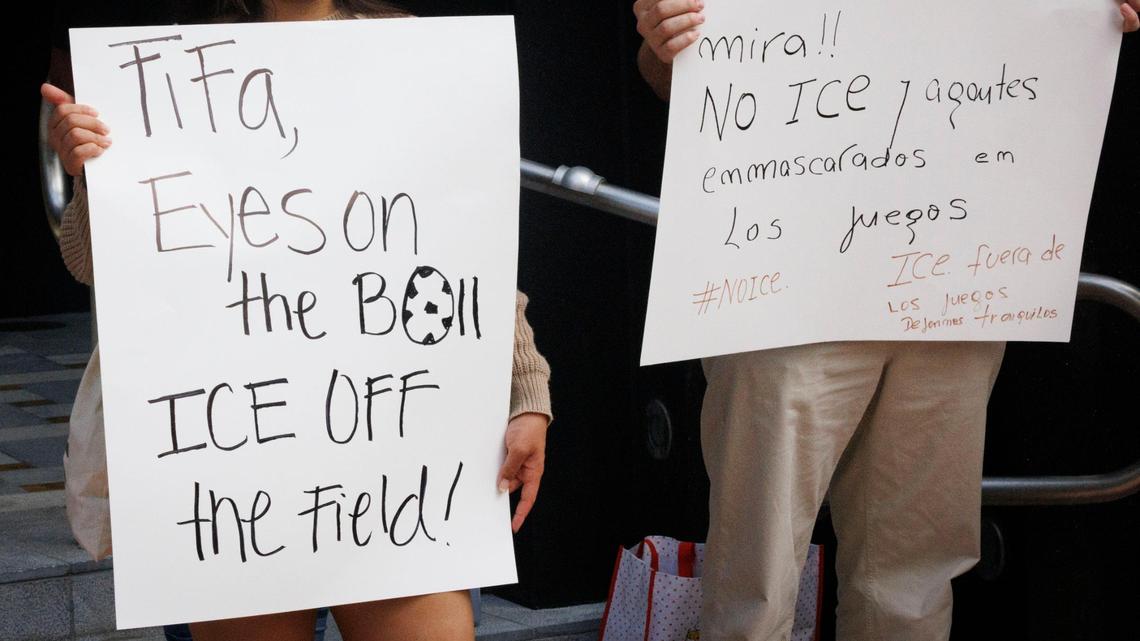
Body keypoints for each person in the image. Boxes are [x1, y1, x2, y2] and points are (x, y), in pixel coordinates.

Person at [42, 2, 552, 640]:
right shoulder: (167, 69)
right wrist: (92, 176)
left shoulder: (408, 53)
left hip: (391, 455)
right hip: (232, 461)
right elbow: (93, 264)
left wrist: (527, 389)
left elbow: (463, 240)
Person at [633, 1, 1139, 639]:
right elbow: (676, 68)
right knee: (754, 585)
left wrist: (1091, 20)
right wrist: (666, 38)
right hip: (788, 276)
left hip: (954, 275)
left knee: (912, 585)